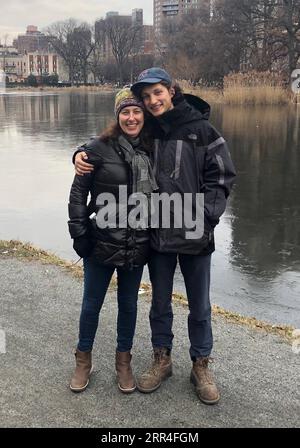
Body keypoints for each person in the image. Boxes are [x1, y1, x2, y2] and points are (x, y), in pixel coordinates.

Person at [75, 68, 236, 405]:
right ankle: (161, 358)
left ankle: (201, 365)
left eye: (156, 94)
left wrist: (206, 218)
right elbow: (110, 144)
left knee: (200, 305)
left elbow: (221, 176)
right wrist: (78, 154)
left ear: (172, 91)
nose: (151, 102)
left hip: (195, 233)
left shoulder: (202, 130)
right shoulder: (150, 131)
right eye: (145, 98)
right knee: (159, 303)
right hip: (158, 233)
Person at [68, 88, 157, 394]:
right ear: (117, 116)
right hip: (101, 242)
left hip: (137, 243)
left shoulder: (152, 148)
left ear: (143, 116)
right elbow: (78, 193)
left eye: (136, 112)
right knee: (91, 304)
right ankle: (83, 360)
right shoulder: (97, 148)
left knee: (128, 305)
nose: (131, 118)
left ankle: (123, 362)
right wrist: (79, 233)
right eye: (125, 112)